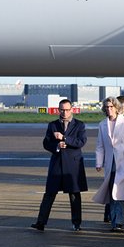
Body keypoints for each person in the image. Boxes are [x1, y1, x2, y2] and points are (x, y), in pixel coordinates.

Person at [31, 99, 89, 232]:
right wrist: (56, 146)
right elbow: (46, 143)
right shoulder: (53, 125)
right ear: (58, 110)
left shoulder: (79, 125)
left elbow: (81, 142)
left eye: (67, 110)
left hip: (73, 165)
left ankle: (76, 223)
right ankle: (41, 222)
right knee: (49, 193)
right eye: (62, 110)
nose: (64, 112)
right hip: (57, 164)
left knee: (74, 194)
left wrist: (64, 139)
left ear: (72, 110)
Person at [95, 97, 124, 231]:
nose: (109, 109)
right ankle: (117, 222)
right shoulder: (102, 124)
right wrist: (99, 162)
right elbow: (100, 145)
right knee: (115, 193)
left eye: (111, 107)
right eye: (107, 107)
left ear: (116, 107)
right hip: (111, 164)